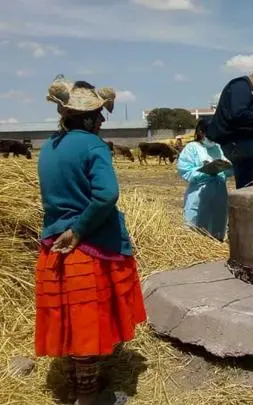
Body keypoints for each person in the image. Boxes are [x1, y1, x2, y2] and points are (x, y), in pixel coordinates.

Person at [38, 77, 146, 405]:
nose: (101, 122)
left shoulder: (47, 148)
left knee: (71, 324)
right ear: (86, 118)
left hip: (54, 247)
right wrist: (80, 229)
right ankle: (88, 399)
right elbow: (107, 195)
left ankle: (73, 387)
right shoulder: (92, 144)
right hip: (88, 248)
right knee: (87, 328)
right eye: (98, 116)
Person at [177, 118, 233, 241]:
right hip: (200, 192)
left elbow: (227, 170)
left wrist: (228, 167)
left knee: (218, 221)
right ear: (201, 132)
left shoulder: (217, 147)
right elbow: (185, 170)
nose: (213, 138)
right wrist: (204, 172)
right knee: (196, 222)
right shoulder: (192, 148)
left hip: (219, 191)